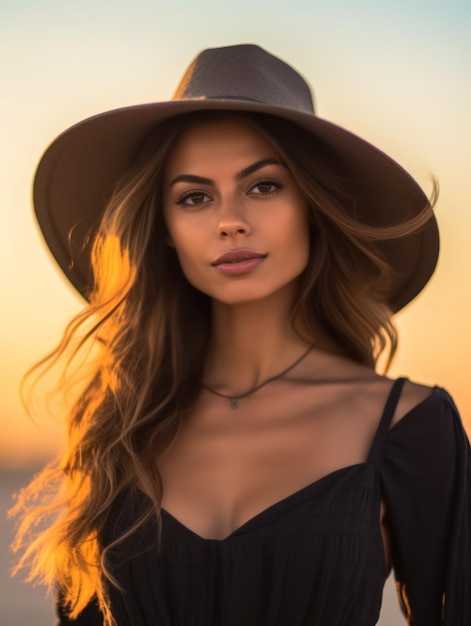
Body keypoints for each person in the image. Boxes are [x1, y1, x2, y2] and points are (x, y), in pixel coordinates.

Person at [11, 44, 470, 626]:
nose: (229, 220)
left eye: (264, 186)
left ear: (313, 207)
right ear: (167, 230)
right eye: (195, 197)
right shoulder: (121, 428)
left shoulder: (409, 425)